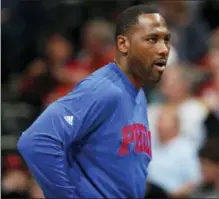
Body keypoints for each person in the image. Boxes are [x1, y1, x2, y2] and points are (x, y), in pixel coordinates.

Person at [17, 4, 171, 198]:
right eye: (152, 39)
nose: (164, 49)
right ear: (123, 44)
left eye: (166, 40)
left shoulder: (137, 94)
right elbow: (36, 141)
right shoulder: (104, 89)